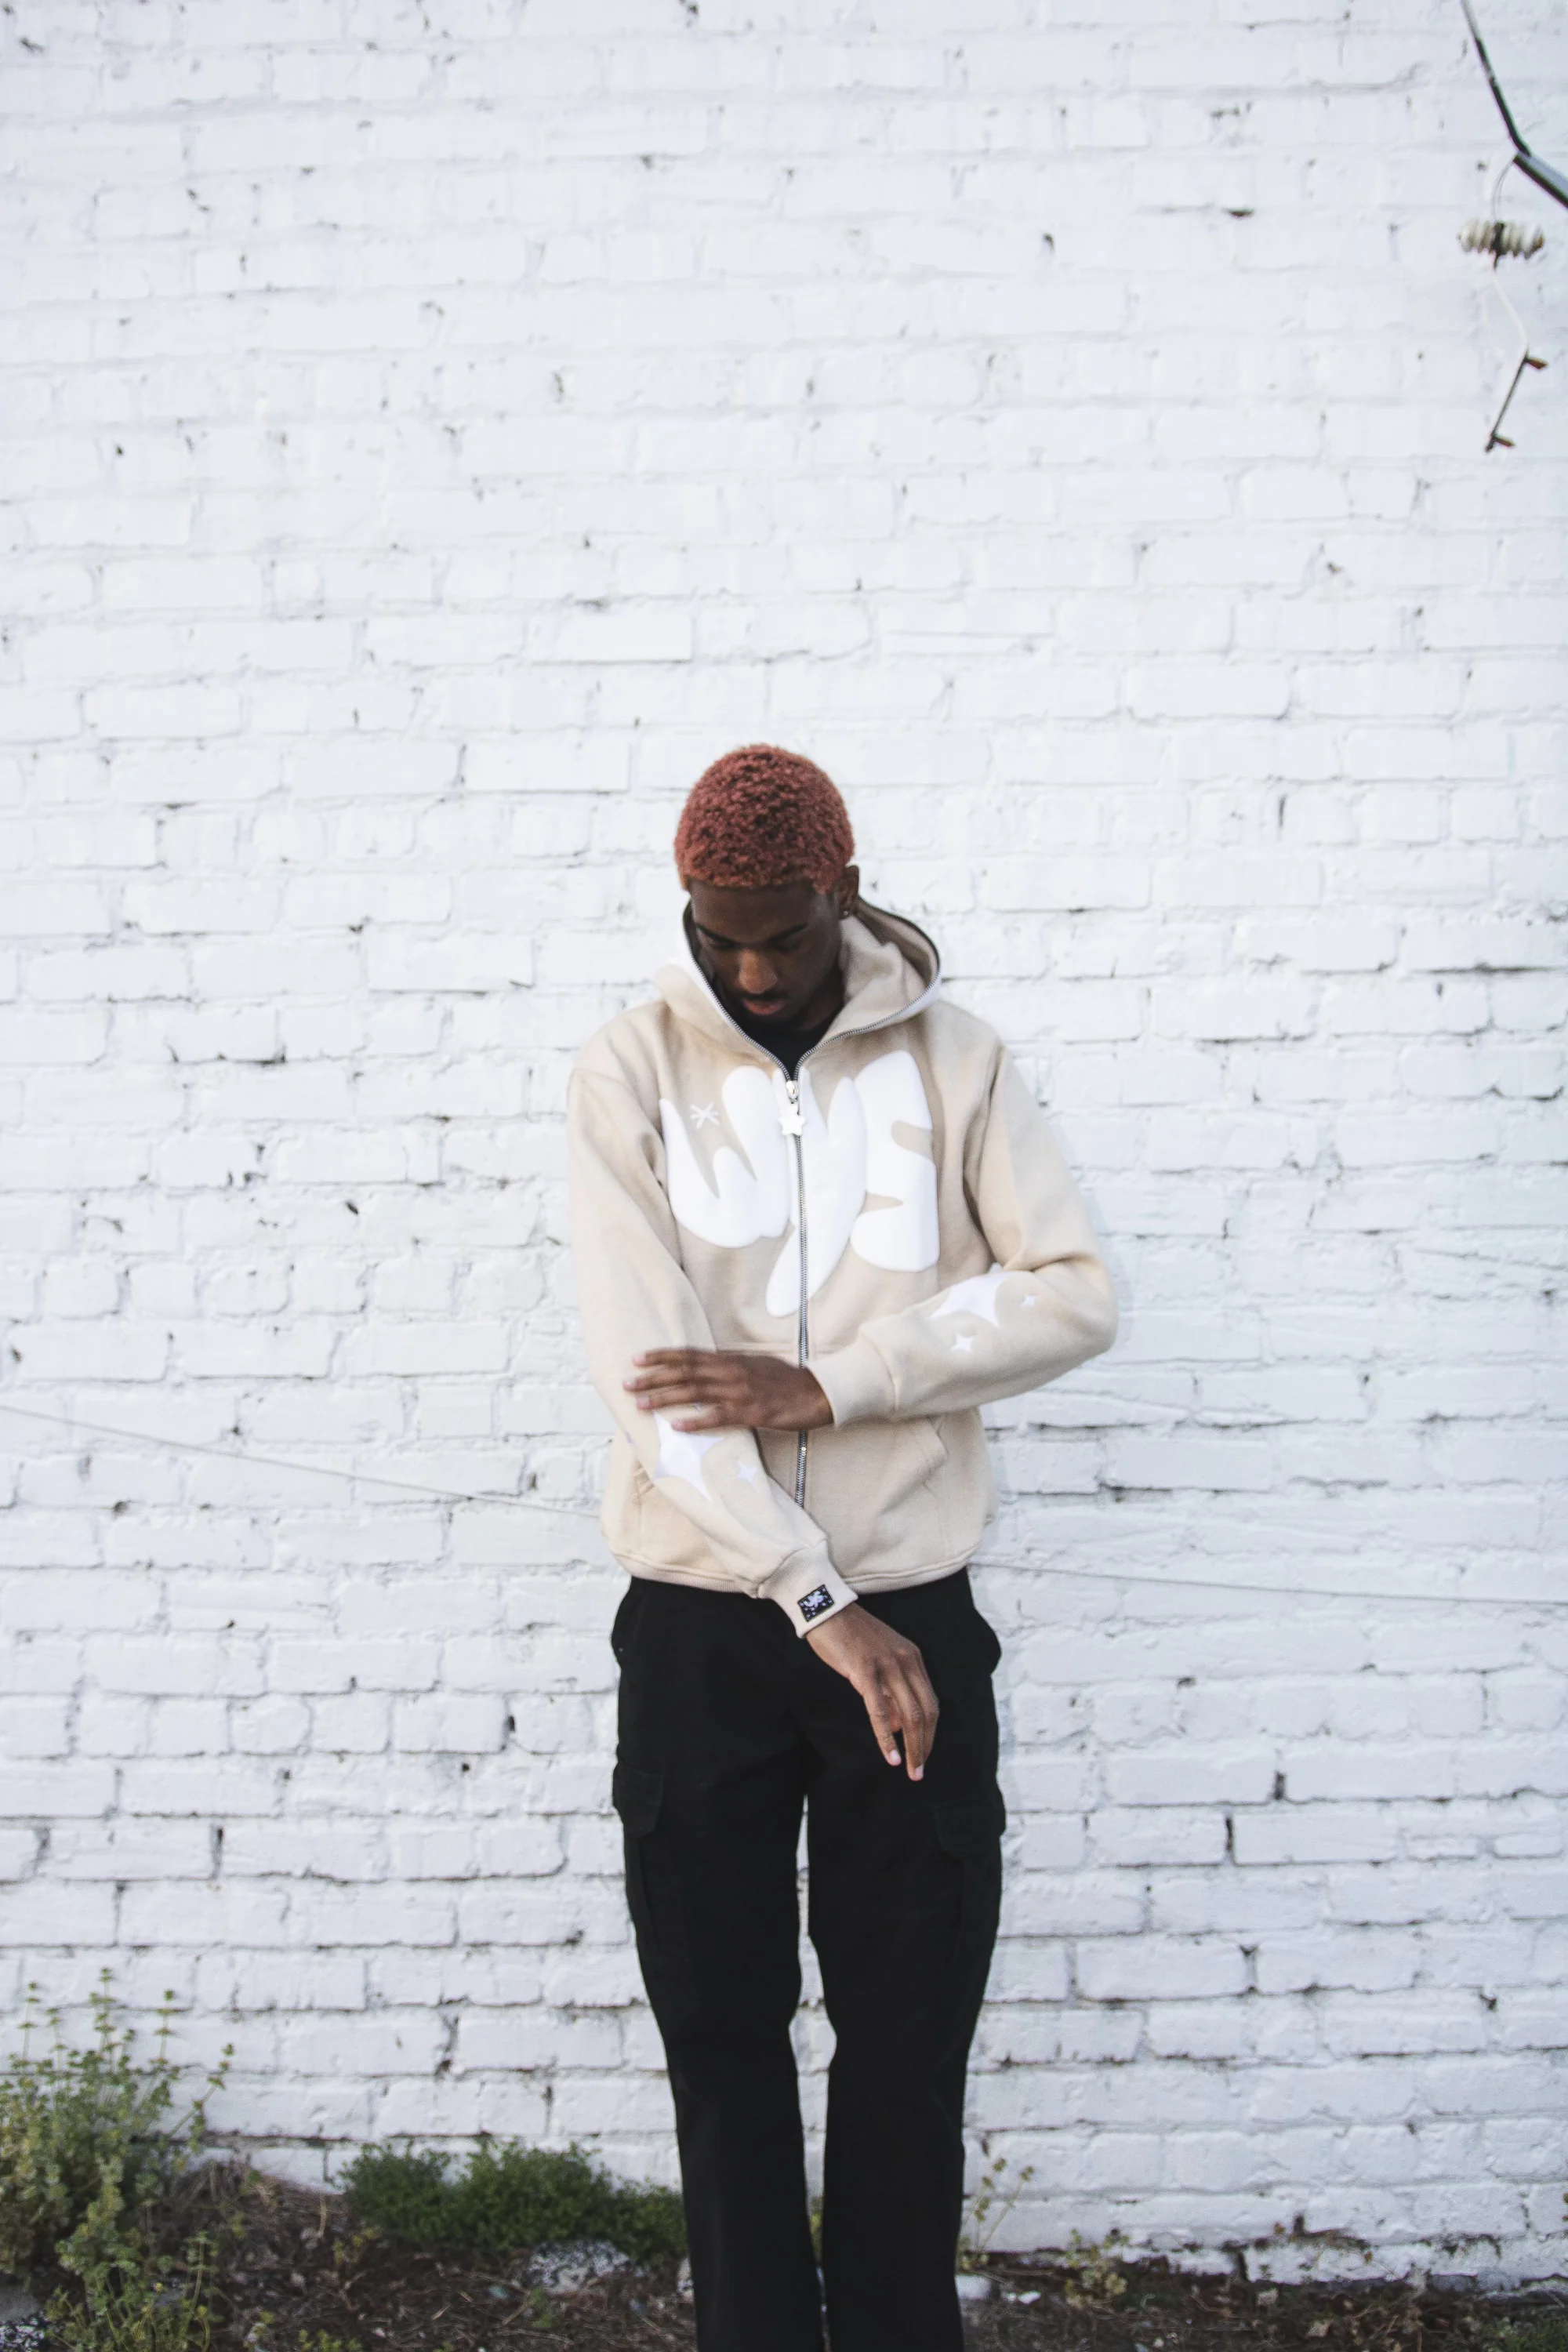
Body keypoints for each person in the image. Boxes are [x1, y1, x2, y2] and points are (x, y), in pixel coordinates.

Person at [567, 745, 1117, 2352]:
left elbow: (1075, 1292)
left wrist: (840, 1381)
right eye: (718, 935)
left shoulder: (958, 1060)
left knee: (904, 2041)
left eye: (785, 934)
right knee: (722, 2039)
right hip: (705, 1622)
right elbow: (651, 1390)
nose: (752, 971)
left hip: (913, 1615)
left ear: (844, 890)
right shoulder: (627, 1072)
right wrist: (813, 1595)